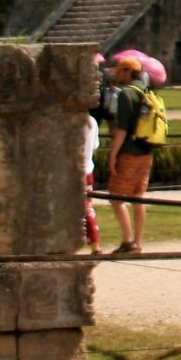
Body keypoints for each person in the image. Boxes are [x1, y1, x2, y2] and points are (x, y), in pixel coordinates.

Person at [104, 57, 155, 254]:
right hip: (146, 150)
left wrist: (113, 154)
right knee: (138, 196)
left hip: (129, 151)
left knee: (115, 197)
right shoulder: (147, 90)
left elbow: (122, 129)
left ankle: (127, 240)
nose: (117, 74)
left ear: (127, 71)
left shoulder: (126, 94)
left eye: (119, 71)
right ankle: (138, 241)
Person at [80, 108, 101, 253]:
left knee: (85, 209)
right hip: (88, 170)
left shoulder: (75, 124)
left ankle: (95, 242)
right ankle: (94, 243)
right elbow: (95, 146)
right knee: (87, 208)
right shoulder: (92, 121)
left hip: (78, 172)